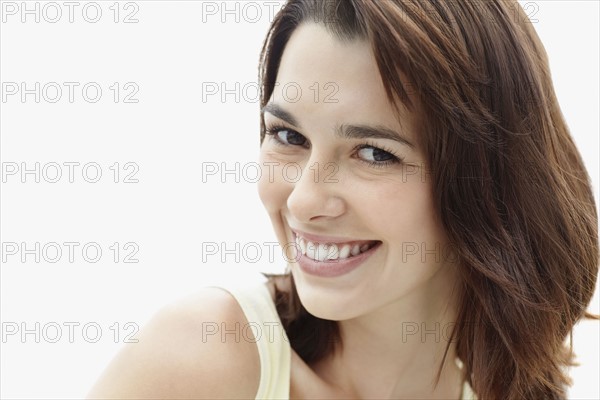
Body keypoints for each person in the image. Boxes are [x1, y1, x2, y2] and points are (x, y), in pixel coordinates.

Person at [86, 1, 599, 399]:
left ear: (487, 178)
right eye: (288, 136)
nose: (304, 200)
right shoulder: (205, 353)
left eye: (374, 153)